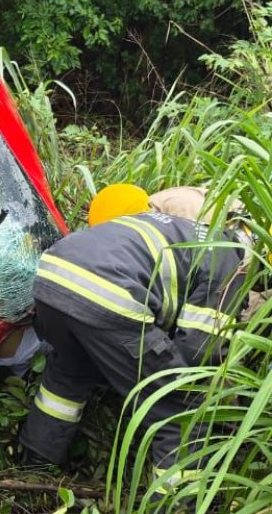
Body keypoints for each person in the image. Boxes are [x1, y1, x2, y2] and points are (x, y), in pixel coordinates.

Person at [18, 183, 248, 479]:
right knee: (180, 405)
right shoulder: (231, 259)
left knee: (70, 373)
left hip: (52, 275)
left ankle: (34, 465)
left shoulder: (178, 227)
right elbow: (198, 351)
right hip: (110, 296)